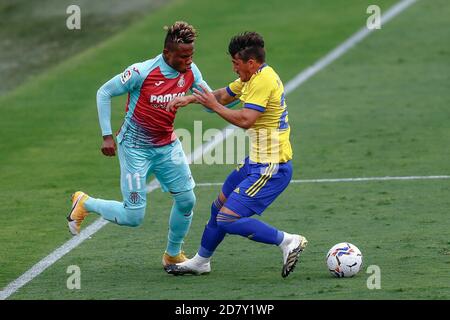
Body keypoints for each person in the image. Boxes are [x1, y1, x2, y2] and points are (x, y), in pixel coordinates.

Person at [67, 21, 211, 272]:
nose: (188, 61)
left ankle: (173, 255)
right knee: (133, 217)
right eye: (183, 56)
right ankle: (85, 202)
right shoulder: (141, 72)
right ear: (167, 53)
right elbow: (104, 92)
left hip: (167, 145)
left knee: (187, 200)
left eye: (191, 55)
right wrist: (107, 135)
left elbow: (212, 101)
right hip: (135, 149)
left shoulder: (190, 72)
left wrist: (241, 93)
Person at [165, 32, 307, 278]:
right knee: (217, 207)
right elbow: (223, 95)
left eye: (236, 63)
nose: (233, 68)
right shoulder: (252, 77)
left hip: (272, 167)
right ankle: (201, 262)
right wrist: (189, 99)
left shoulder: (264, 81)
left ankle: (288, 241)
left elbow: (246, 120)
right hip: (255, 161)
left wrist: (214, 107)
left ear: (251, 62)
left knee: (227, 219)